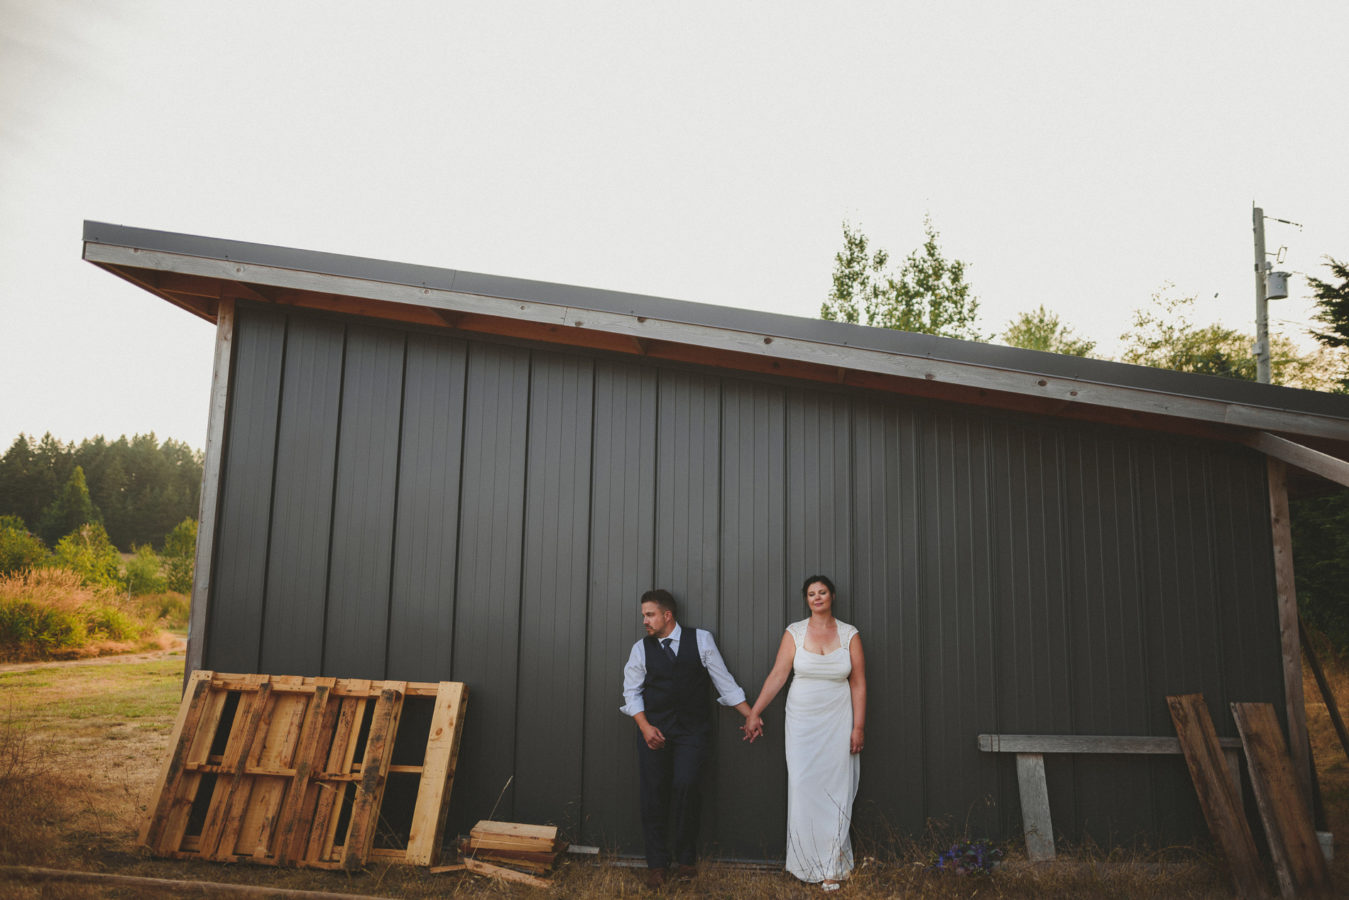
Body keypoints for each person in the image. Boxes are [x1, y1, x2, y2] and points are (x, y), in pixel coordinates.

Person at [621, 588, 757, 888]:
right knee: (653, 795)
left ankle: (686, 860)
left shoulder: (701, 640)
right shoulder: (641, 648)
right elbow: (631, 692)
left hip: (692, 731)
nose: (644, 620)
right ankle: (657, 865)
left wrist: (749, 714)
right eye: (644, 614)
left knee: (686, 787)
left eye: (650, 614)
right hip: (653, 731)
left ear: (667, 615)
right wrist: (644, 727)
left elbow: (724, 681)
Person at [744, 575, 866, 891]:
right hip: (802, 721)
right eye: (811, 593)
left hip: (838, 719)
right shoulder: (795, 633)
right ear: (806, 599)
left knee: (835, 789)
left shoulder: (849, 634)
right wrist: (754, 712)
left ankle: (832, 868)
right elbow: (778, 675)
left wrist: (858, 727)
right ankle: (803, 863)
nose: (817, 597)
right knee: (802, 786)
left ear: (832, 596)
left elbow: (858, 683)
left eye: (822, 592)